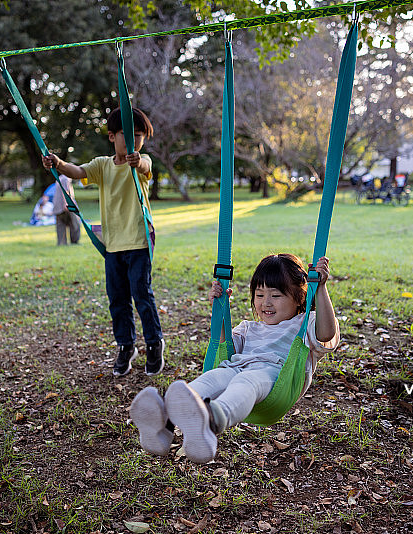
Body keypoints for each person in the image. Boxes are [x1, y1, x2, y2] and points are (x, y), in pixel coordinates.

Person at [129, 254, 340, 464]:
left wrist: (320, 288)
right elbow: (225, 345)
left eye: (276, 295)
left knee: (245, 381)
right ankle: (163, 424)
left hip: (275, 378)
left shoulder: (305, 324)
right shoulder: (249, 328)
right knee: (214, 377)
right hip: (237, 368)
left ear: (299, 297)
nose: (266, 303)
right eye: (259, 295)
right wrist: (219, 307)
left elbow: (326, 334)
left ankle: (211, 422)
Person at [42, 107, 164, 377]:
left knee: (142, 296)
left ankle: (154, 343)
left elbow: (145, 166)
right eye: (126, 135)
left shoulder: (142, 163)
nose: (133, 141)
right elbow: (77, 171)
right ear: (111, 136)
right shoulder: (102, 165)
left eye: (139, 135)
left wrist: (138, 161)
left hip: (139, 243)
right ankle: (126, 346)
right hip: (113, 247)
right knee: (117, 300)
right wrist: (59, 164)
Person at [52, 174, 80, 245]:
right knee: (75, 223)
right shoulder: (66, 179)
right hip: (65, 206)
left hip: (57, 206)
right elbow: (65, 191)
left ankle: (61, 243)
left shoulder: (59, 178)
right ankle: (74, 242)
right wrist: (66, 204)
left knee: (61, 225)